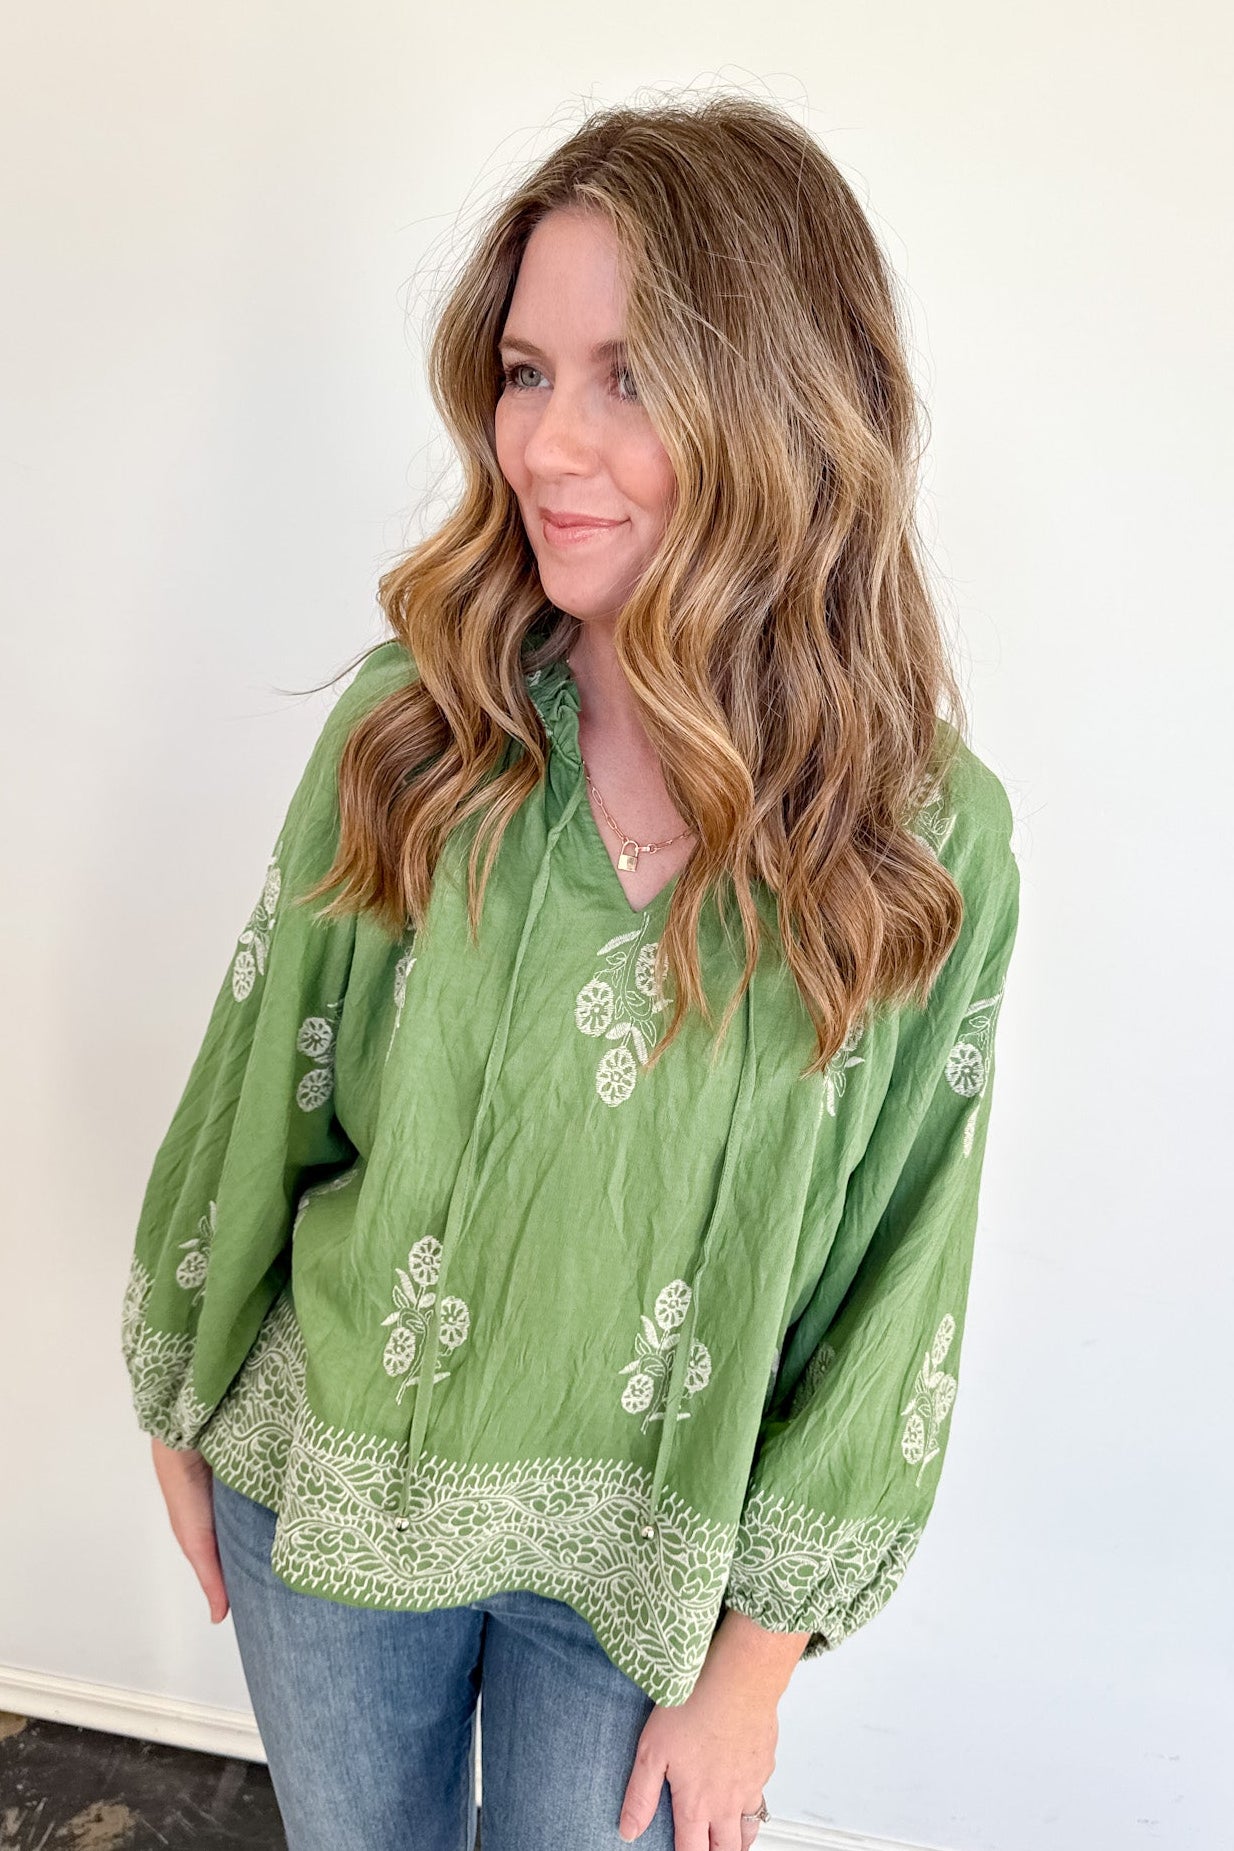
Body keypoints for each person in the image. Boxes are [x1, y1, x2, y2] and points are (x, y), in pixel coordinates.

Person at [123, 93, 1022, 1851]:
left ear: (780, 406)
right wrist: (180, 1380)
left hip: (645, 1548)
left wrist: (751, 1674)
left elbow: (901, 1278)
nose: (543, 443)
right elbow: (266, 1069)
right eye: (525, 372)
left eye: (625, 377)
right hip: (330, 1483)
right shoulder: (420, 726)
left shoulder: (922, 840)